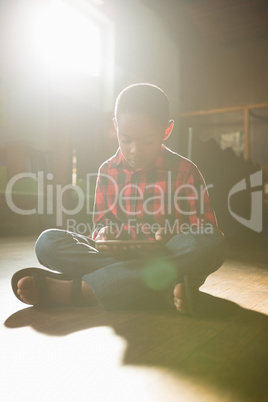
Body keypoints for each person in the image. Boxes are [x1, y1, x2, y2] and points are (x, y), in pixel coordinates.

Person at [11, 83, 227, 314]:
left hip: (167, 258)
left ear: (166, 131)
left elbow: (203, 231)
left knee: (212, 243)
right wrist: (105, 235)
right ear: (115, 127)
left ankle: (83, 290)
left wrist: (172, 235)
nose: (135, 150)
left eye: (147, 141)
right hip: (130, 261)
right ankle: (157, 290)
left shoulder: (185, 170)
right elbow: (102, 224)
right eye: (126, 140)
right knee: (47, 242)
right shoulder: (107, 171)